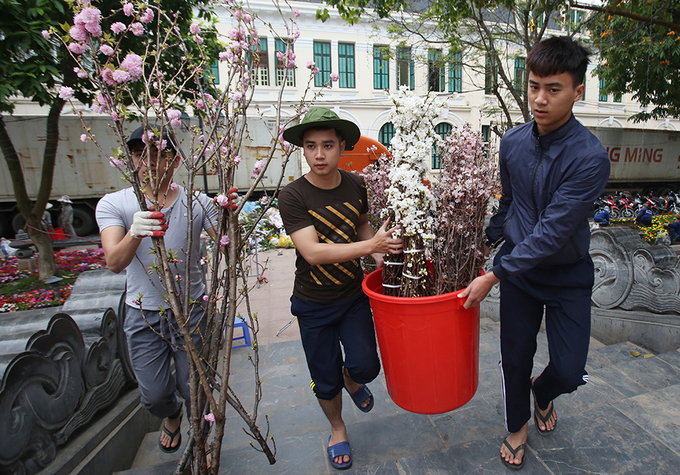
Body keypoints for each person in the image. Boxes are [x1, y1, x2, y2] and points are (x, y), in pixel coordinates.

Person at [458, 37, 610, 470]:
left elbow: (551, 232)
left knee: (569, 370)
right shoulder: (513, 141)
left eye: (554, 89)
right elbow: (511, 202)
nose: (539, 99)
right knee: (515, 356)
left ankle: (543, 392)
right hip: (521, 277)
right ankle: (516, 425)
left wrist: (494, 273)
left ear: (578, 91)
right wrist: (488, 234)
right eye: (533, 86)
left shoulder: (590, 157)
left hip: (565, 273)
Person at [278, 107, 403, 470]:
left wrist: (379, 257)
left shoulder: (356, 183)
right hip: (312, 302)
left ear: (342, 147)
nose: (320, 154)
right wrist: (371, 248)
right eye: (312, 146)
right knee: (324, 378)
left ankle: (352, 378)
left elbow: (361, 223)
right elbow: (313, 253)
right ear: (303, 149)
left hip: (352, 297)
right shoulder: (293, 196)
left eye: (328, 145)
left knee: (366, 366)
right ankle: (337, 428)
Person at [96, 125, 221, 454]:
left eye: (159, 153)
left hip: (191, 309)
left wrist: (229, 213)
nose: (148, 161)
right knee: (153, 395)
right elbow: (114, 261)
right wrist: (136, 231)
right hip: (143, 313)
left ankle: (203, 444)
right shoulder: (114, 204)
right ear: (130, 160)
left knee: (193, 385)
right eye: (139, 154)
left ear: (175, 159)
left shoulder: (196, 202)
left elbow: (226, 238)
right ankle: (170, 414)